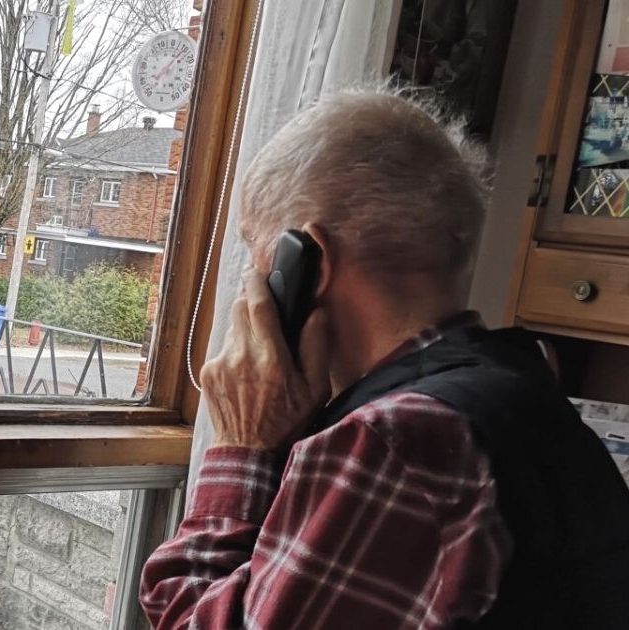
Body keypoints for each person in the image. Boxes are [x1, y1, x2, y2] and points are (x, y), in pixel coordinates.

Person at [139, 87, 629, 629]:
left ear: (305, 266)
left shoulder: (393, 439)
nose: (249, 286)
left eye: (255, 251)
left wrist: (240, 449)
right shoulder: (526, 389)